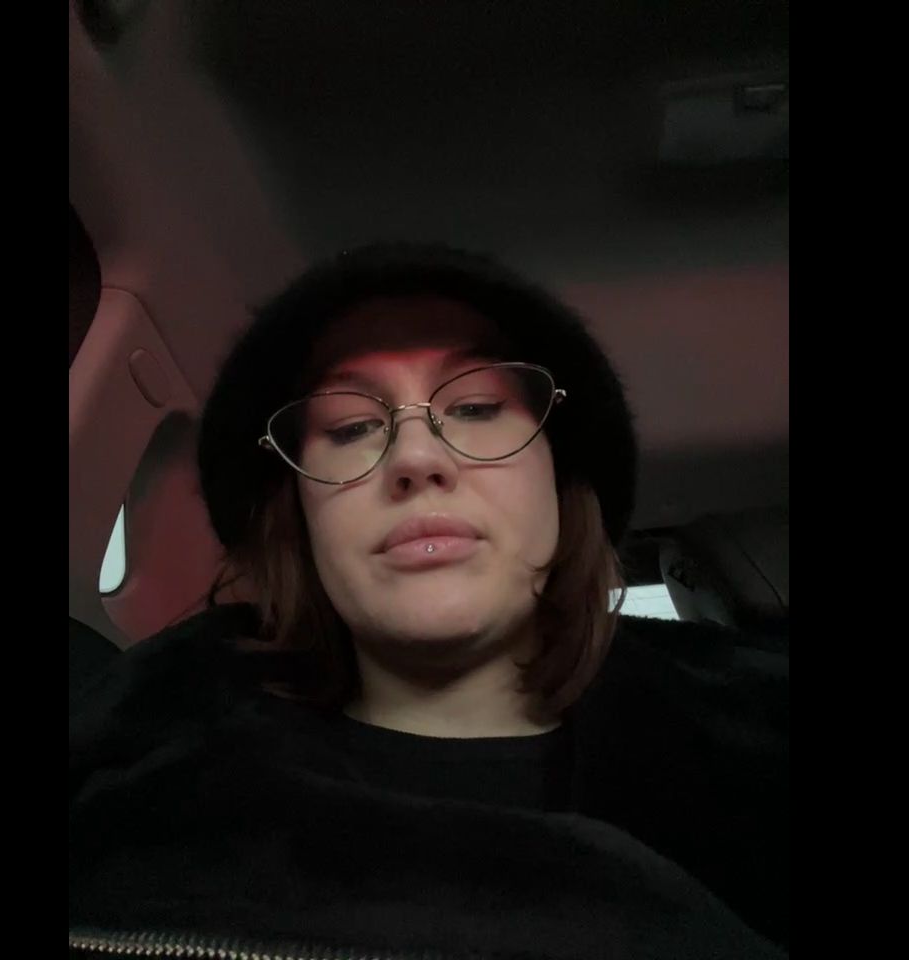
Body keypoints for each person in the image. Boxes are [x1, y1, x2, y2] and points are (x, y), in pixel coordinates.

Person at [70, 243, 789, 959]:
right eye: (350, 427)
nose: (416, 458)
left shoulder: (754, 752)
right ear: (300, 517)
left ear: (560, 483)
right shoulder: (136, 779)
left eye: (476, 407)